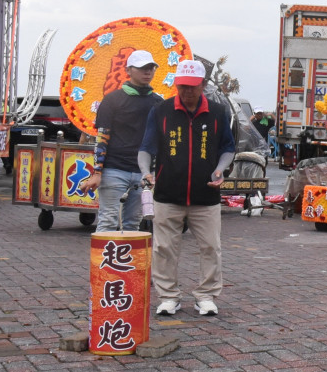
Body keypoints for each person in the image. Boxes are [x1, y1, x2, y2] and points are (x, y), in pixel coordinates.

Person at [138, 60, 235, 316]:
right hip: (167, 193)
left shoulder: (217, 112)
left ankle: (206, 295)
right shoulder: (161, 111)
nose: (187, 92)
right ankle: (169, 296)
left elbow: (227, 148)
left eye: (192, 86)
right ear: (176, 85)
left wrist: (220, 169)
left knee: (211, 247)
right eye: (182, 86)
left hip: (206, 195)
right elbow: (147, 148)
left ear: (203, 85)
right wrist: (146, 172)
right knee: (164, 247)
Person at [78, 50, 163, 231]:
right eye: (142, 68)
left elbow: (160, 141)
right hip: (114, 170)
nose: (147, 72)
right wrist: (97, 172)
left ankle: (128, 260)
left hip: (144, 173)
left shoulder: (158, 103)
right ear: (129, 70)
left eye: (151, 68)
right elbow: (102, 138)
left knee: (134, 223)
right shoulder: (112, 100)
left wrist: (155, 172)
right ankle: (105, 260)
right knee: (108, 221)